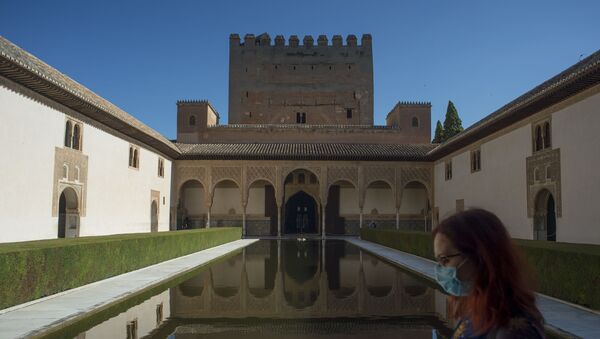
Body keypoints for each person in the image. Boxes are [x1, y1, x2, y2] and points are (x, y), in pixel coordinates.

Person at [432, 208, 545, 338]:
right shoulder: (475, 312)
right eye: (438, 260)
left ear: (480, 256)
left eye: (445, 259)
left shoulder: (514, 331)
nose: (440, 268)